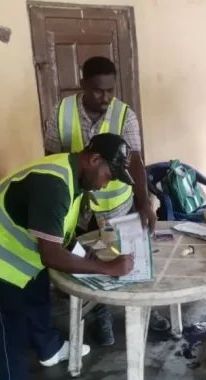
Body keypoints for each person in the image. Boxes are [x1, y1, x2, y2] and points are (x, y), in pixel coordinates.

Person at [0, 133, 136, 380]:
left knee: (38, 295)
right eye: (108, 176)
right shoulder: (54, 185)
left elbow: (59, 233)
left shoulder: (73, 174)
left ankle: (49, 348)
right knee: (9, 330)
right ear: (95, 159)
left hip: (19, 247)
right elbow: (51, 255)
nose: (105, 185)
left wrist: (85, 255)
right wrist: (106, 268)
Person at [44, 56, 169, 345]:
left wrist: (142, 202)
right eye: (99, 90)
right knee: (91, 257)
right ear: (83, 83)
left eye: (111, 90)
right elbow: (53, 156)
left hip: (118, 204)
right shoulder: (61, 111)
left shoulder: (125, 115)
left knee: (131, 257)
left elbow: (136, 160)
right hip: (79, 207)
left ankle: (144, 310)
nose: (106, 97)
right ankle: (100, 315)